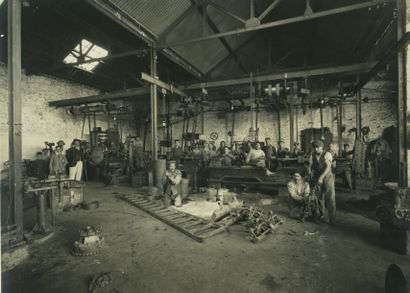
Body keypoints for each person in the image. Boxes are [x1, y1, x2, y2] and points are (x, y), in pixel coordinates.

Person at [308, 140, 336, 225]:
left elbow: (328, 167)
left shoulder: (327, 154)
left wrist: (321, 177)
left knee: (330, 198)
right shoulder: (312, 155)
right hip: (317, 177)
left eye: (318, 147)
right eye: (314, 148)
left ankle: (332, 219)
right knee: (319, 197)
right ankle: (321, 215)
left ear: (322, 147)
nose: (316, 149)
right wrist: (309, 171)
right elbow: (311, 166)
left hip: (327, 177)